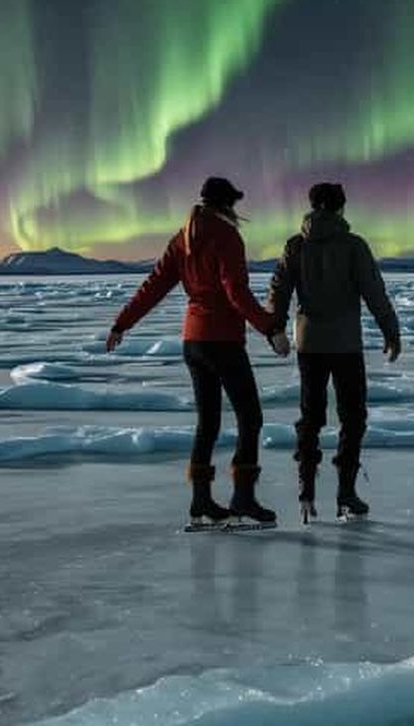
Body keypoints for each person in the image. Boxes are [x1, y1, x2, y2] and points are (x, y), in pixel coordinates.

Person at [107, 177, 290, 528]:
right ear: (226, 205)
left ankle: (201, 500)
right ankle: (243, 497)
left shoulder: (182, 238)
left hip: (194, 342)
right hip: (222, 340)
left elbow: (154, 286)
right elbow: (235, 291)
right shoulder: (226, 237)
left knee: (208, 421)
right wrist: (270, 329)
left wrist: (121, 323)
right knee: (250, 417)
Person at [267, 182, 400, 522]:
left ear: (312, 207)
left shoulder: (296, 245)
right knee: (352, 417)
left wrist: (276, 328)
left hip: (309, 344)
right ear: (341, 208)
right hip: (345, 345)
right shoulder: (353, 246)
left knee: (311, 416)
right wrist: (390, 331)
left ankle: (306, 489)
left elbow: (279, 290)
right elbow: (374, 292)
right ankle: (345, 492)